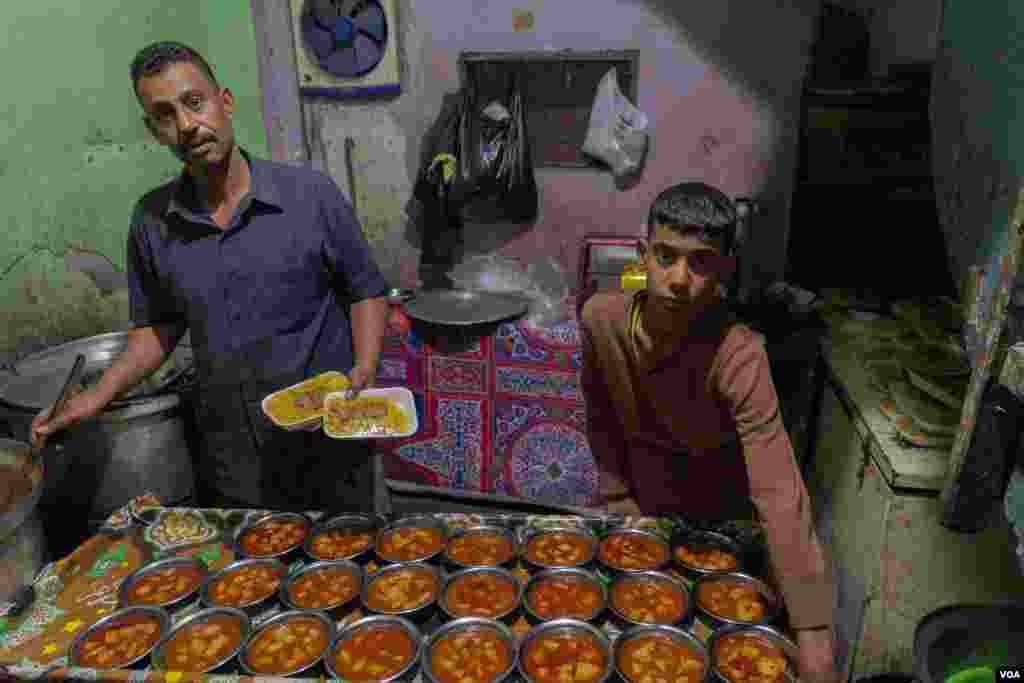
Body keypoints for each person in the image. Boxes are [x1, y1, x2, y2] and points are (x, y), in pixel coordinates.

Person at [29, 42, 389, 513]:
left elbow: (365, 289)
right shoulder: (153, 222)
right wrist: (93, 397)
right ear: (152, 129)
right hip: (236, 462)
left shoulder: (309, 196)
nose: (185, 125)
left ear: (224, 100)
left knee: (360, 569)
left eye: (194, 102)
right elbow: (157, 329)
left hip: (330, 439)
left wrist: (362, 370)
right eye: (164, 114)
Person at [579, 183, 836, 680]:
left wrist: (815, 632)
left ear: (723, 269)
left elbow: (778, 489)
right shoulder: (601, 320)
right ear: (643, 255)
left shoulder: (740, 354)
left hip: (722, 525)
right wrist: (617, 499)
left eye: (700, 262)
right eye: (666, 256)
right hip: (642, 508)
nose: (679, 279)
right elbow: (600, 415)